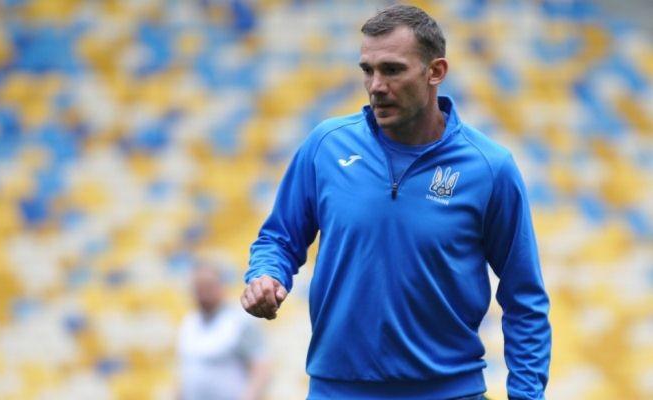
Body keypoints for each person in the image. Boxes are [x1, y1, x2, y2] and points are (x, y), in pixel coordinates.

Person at [240, 4, 551, 400]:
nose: (376, 86)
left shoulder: (489, 167)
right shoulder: (326, 146)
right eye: (367, 70)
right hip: (338, 392)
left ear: (435, 71)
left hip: (450, 392)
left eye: (392, 70)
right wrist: (267, 274)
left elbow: (524, 296)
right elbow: (279, 239)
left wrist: (526, 395)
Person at [177, 265, 270, 400]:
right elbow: (187, 371)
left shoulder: (240, 320)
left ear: (222, 286)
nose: (203, 292)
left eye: (208, 286)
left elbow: (260, 366)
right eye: (198, 287)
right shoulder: (189, 322)